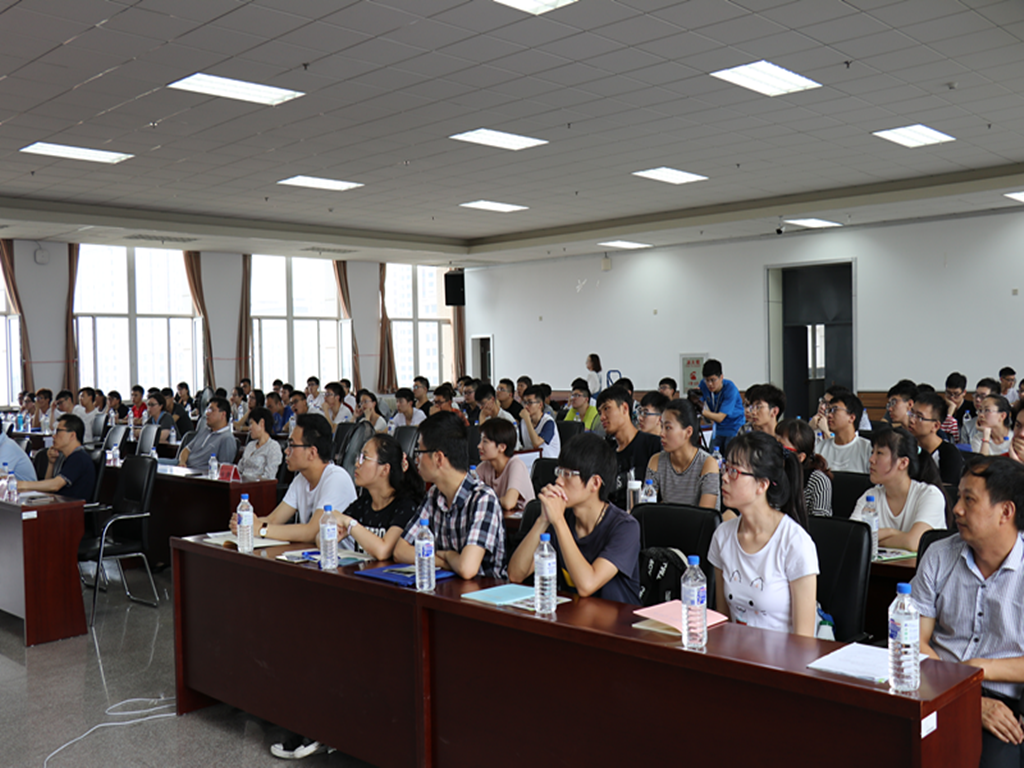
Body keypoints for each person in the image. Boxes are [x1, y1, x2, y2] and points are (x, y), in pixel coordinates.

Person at [911, 456, 1024, 766]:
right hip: (934, 684)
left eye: (969, 500)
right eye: (958, 497)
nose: (957, 509)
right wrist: (963, 693)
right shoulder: (939, 555)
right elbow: (913, 639)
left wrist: (978, 668)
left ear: (1006, 512)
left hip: (1005, 700)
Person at [708, 431, 818, 636]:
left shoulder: (795, 542)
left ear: (762, 484)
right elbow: (723, 622)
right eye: (725, 468)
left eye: (734, 471)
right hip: (735, 653)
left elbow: (804, 640)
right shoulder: (722, 536)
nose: (724, 477)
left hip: (783, 655)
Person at [509, 432, 641, 604]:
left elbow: (587, 585)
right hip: (571, 616)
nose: (558, 481)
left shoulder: (625, 527)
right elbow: (515, 575)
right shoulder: (560, 517)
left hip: (616, 619)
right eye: (559, 471)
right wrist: (543, 520)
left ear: (595, 483)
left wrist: (558, 521)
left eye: (568, 474)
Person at [393, 412, 506, 579]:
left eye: (419, 452)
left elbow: (467, 568)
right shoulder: (434, 495)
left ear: (438, 458)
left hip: (484, 591)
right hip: (447, 585)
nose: (416, 459)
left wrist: (445, 555)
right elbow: (400, 551)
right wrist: (448, 560)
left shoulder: (483, 499)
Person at [232, 414, 356, 544]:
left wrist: (261, 529)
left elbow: (312, 531)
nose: (286, 451)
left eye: (292, 445)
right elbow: (273, 520)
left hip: (339, 555)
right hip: (311, 552)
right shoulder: (301, 479)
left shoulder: (336, 478)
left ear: (312, 453)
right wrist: (245, 523)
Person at [320, 433, 422, 559]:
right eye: (359, 457)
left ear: (385, 469)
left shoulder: (405, 507)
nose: (357, 464)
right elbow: (320, 540)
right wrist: (331, 531)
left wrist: (349, 523)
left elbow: (383, 551)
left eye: (364, 458)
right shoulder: (363, 504)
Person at [850, 427, 948, 552]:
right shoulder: (870, 496)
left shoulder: (930, 495)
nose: (871, 459)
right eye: (872, 452)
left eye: (879, 453)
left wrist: (874, 539)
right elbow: (853, 537)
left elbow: (914, 542)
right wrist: (893, 533)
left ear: (903, 463)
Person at [645, 398, 719, 509]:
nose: (661, 433)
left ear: (688, 432)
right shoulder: (656, 461)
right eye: (661, 427)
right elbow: (647, 507)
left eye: (668, 428)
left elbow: (705, 515)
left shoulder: (707, 463)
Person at [597, 385, 661, 509]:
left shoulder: (653, 445)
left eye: (606, 409)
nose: (602, 417)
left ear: (625, 408)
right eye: (600, 413)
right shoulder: (606, 454)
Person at [18, 414, 96, 502]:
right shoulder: (65, 457)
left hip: (71, 508)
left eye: (58, 431)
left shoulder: (79, 458)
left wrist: (22, 485)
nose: (54, 436)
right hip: (58, 504)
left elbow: (55, 485)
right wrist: (51, 463)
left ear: (72, 435)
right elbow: (48, 488)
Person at [776, 418, 832, 517]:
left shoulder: (818, 481)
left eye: (781, 447)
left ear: (800, 457)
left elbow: (820, 523)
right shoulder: (770, 475)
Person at [477, 418, 534, 515]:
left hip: (521, 522)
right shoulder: (484, 467)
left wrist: (485, 499)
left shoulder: (516, 465)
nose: (479, 446)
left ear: (502, 447)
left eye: (485, 442)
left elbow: (509, 503)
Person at [910, 391, 965, 485]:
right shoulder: (907, 447)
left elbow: (949, 491)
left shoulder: (949, 454)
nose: (911, 420)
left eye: (919, 417)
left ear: (935, 426)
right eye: (911, 414)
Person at [814, 391, 871, 473]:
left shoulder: (867, 449)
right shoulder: (819, 448)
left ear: (851, 417)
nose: (829, 415)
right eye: (829, 411)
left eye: (834, 410)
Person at [178, 397, 238, 470]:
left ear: (223, 414)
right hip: (184, 467)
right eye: (207, 410)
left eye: (211, 410)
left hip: (199, 472)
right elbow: (187, 449)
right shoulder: (205, 430)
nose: (207, 413)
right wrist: (182, 462)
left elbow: (223, 468)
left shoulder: (227, 438)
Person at [698, 359, 745, 451]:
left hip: (734, 427)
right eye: (707, 380)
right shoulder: (703, 384)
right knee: (712, 455)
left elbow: (720, 417)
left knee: (730, 455)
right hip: (718, 429)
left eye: (713, 380)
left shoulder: (730, 388)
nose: (710, 384)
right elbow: (698, 401)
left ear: (721, 377)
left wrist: (701, 411)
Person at [237, 406, 283, 482]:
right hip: (241, 484)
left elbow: (269, 477)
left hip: (259, 486)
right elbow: (239, 469)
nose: (249, 428)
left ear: (262, 423)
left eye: (251, 423)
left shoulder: (273, 447)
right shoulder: (250, 445)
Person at [964, 378, 1001, 447]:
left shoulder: (1003, 425)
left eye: (983, 396)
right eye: (976, 395)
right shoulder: (968, 426)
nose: (977, 399)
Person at [941, 372, 971, 444]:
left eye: (956, 394)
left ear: (964, 392)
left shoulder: (971, 407)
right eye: (948, 393)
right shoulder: (940, 408)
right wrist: (950, 411)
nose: (952, 397)